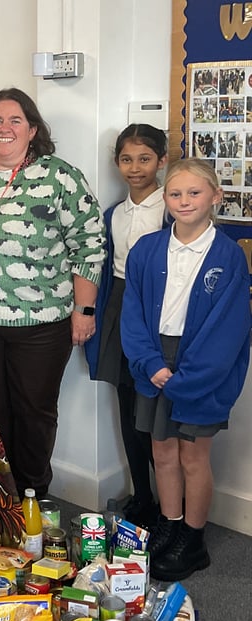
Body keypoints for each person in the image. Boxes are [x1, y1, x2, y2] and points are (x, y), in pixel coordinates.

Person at [0, 87, 106, 498]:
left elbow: (88, 244)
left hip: (40, 326)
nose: (5, 128)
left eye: (16, 120)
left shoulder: (59, 176)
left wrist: (84, 309)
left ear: (33, 130)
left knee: (33, 415)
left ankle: (32, 496)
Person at [121, 158, 251, 581]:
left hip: (200, 366)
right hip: (154, 360)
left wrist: (188, 378)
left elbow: (227, 330)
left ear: (216, 196)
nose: (183, 201)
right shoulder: (147, 249)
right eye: (175, 193)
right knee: (162, 450)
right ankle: (170, 524)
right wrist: (151, 365)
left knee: (193, 455)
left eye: (194, 193)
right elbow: (133, 314)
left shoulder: (229, 256)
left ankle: (193, 540)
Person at [84, 124, 168, 528]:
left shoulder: (170, 209)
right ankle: (143, 497)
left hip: (157, 311)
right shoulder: (114, 214)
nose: (135, 168)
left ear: (162, 161)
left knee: (157, 415)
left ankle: (173, 509)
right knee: (127, 408)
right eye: (126, 159)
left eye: (145, 159)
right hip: (119, 307)